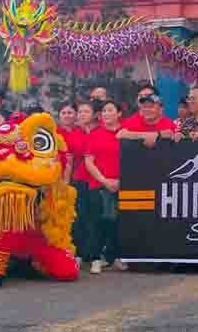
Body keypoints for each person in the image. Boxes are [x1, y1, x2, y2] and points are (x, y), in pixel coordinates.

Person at [84, 100, 127, 274]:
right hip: (98, 185)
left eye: (110, 110)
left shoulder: (126, 133)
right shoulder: (95, 134)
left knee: (119, 222)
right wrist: (104, 180)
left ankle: (116, 257)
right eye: (104, 111)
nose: (106, 114)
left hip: (122, 185)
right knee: (97, 222)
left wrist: (120, 180)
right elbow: (89, 161)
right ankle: (96, 258)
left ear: (119, 113)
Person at [70, 101, 96, 268]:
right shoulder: (74, 133)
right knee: (79, 217)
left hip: (96, 179)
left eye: (86, 111)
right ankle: (79, 253)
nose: (82, 114)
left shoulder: (99, 132)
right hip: (78, 178)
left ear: (93, 115)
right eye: (80, 112)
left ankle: (94, 254)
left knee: (94, 218)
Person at [55, 104, 79, 184]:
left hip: (80, 176)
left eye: (69, 113)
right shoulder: (54, 133)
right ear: (59, 115)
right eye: (63, 113)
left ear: (76, 115)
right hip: (59, 176)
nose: (66, 116)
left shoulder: (82, 131)